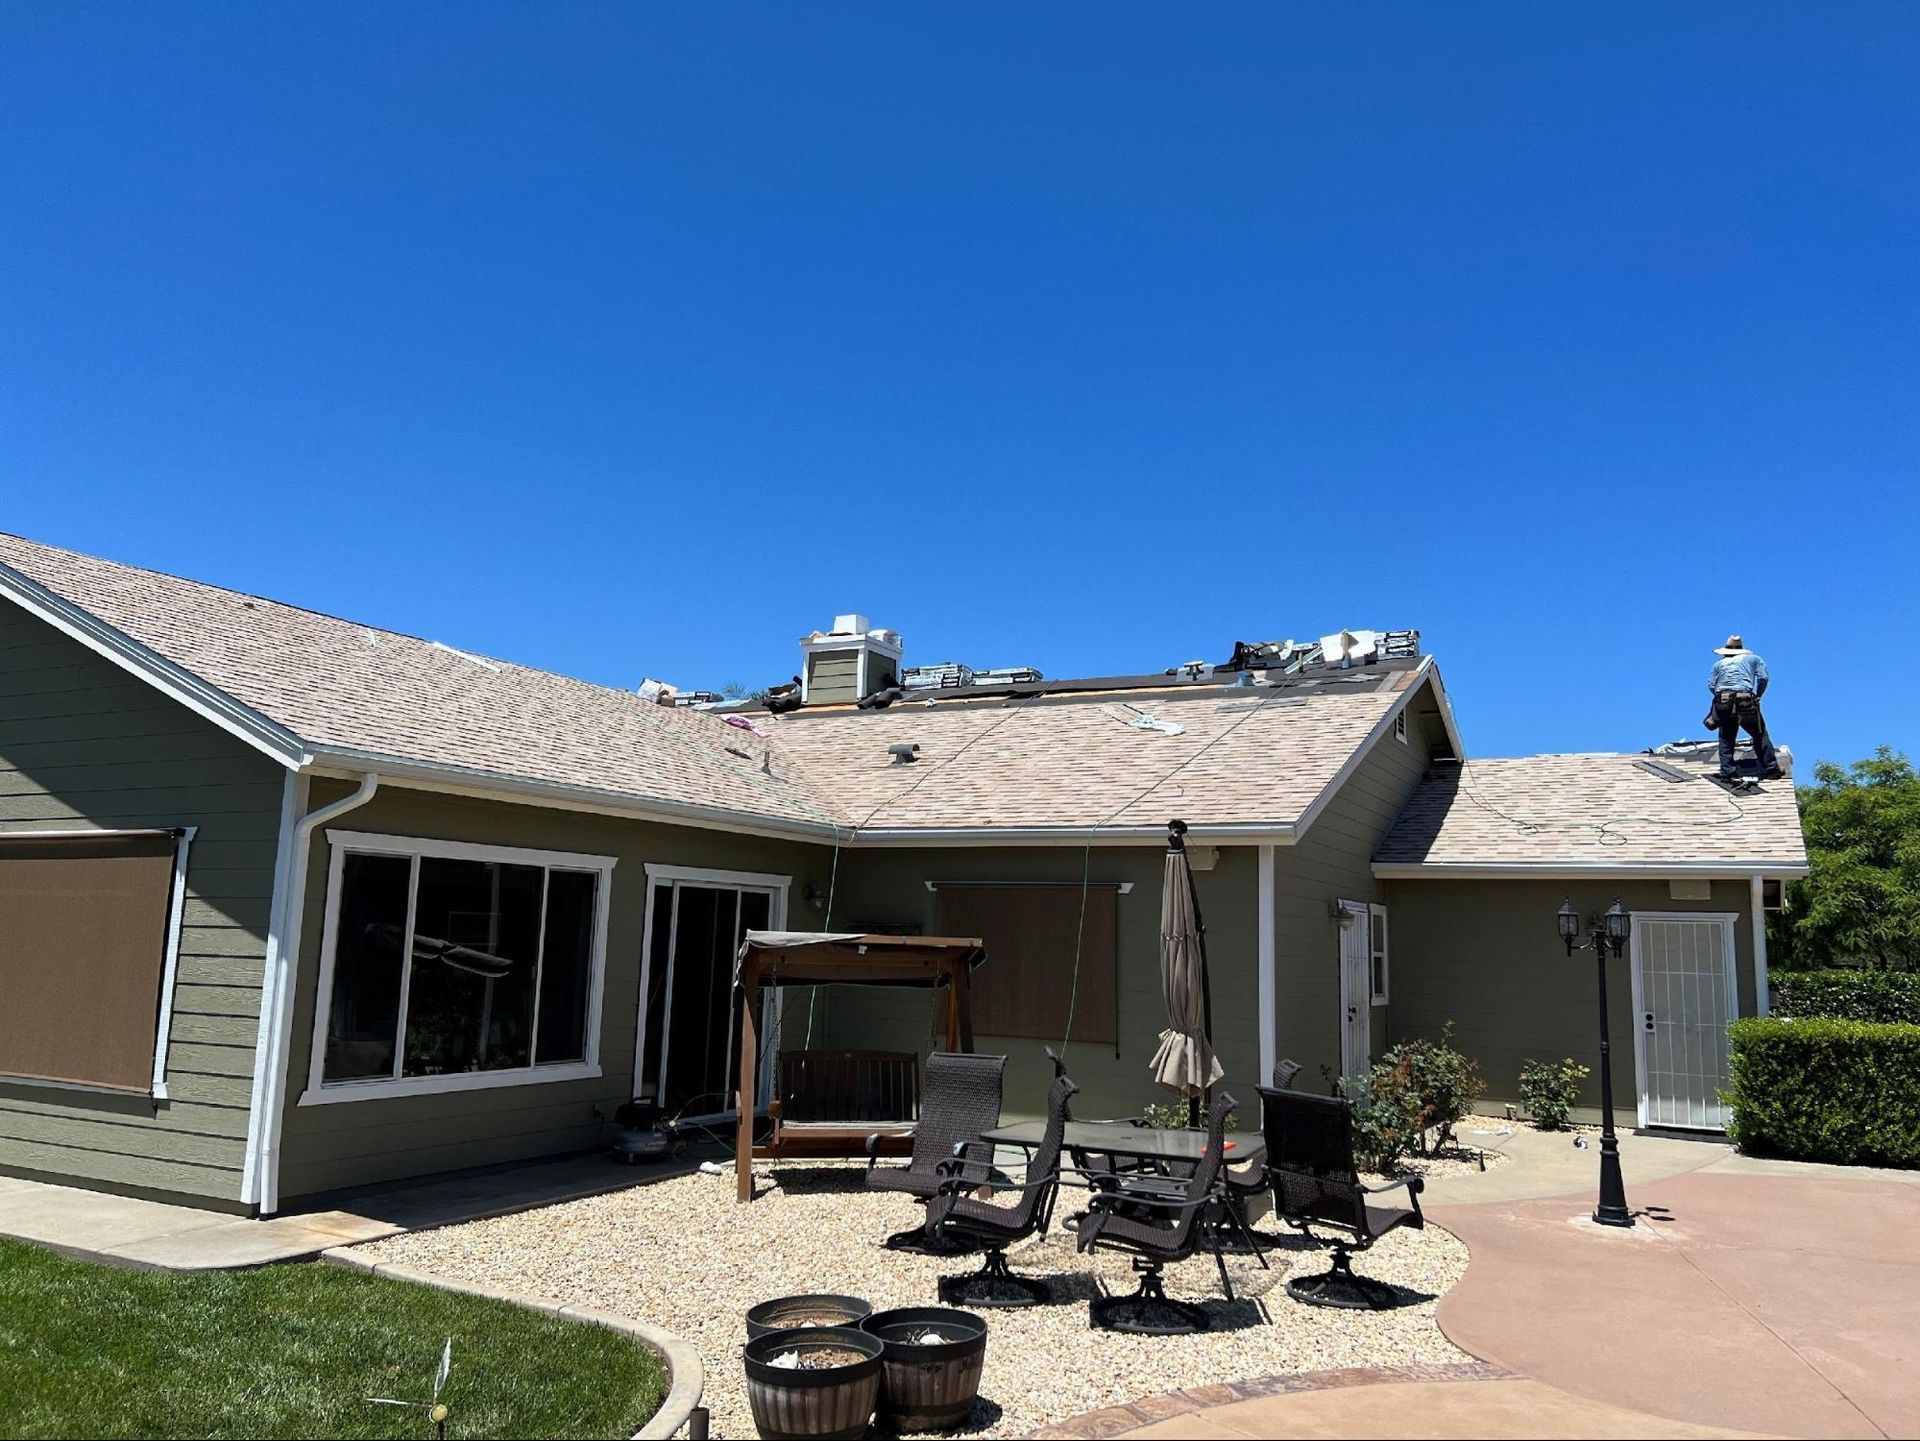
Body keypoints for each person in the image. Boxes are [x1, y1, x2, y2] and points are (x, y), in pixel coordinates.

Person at [1705, 635, 1783, 781]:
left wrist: (1722, 696)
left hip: (1723, 701)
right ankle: (1771, 769)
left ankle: (1728, 772)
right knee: (1759, 734)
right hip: (1745, 700)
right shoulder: (1754, 659)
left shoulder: (1718, 665)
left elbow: (1711, 686)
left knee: (1726, 738)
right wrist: (1758, 695)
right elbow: (1763, 678)